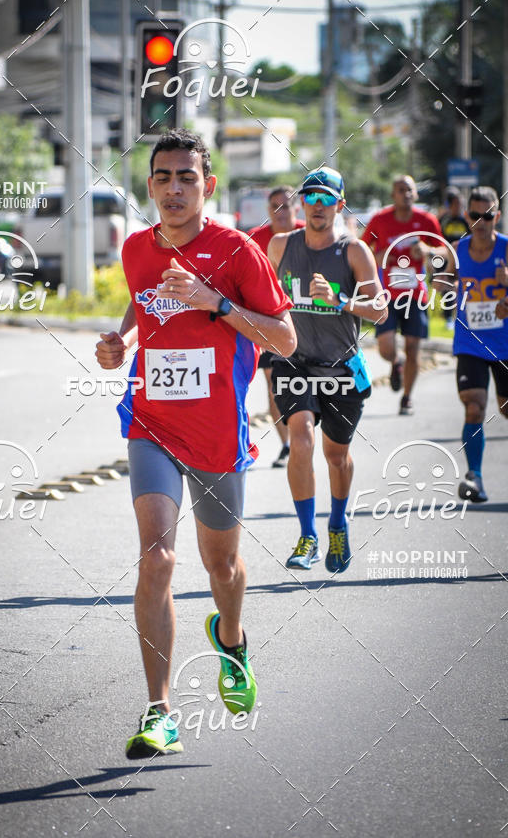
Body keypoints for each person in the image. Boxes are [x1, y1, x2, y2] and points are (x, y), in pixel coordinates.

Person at [95, 129, 296, 758]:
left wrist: (217, 305)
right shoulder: (136, 249)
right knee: (157, 558)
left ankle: (230, 640)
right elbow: (142, 307)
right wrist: (119, 344)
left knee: (222, 568)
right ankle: (160, 712)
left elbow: (285, 340)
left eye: (187, 177)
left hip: (216, 434)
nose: (175, 188)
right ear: (149, 185)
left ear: (207, 186)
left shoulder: (237, 252)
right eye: (163, 177)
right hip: (151, 422)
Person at [267, 166, 387, 573]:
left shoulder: (354, 251)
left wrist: (340, 300)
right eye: (310, 198)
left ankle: (337, 522)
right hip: (293, 362)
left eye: (325, 199)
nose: (317, 206)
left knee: (337, 456)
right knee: (300, 440)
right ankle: (308, 535)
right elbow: (262, 300)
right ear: (301, 202)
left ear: (340, 203)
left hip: (339, 365)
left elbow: (380, 309)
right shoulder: (281, 246)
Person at [443, 186, 508, 502]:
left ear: (497, 216)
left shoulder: (507, 250)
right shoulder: (458, 250)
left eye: (487, 215)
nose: (480, 222)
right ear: (466, 216)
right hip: (470, 342)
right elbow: (443, 287)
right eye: (474, 215)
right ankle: (475, 477)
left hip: (505, 344)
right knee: (474, 406)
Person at [363, 175, 444, 415]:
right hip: (386, 294)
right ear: (393, 195)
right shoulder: (380, 220)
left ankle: (407, 397)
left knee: (413, 348)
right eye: (401, 190)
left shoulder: (426, 220)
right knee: (386, 347)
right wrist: (378, 258)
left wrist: (428, 250)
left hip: (415, 294)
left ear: (415, 194)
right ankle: (395, 363)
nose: (406, 194)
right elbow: (361, 249)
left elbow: (444, 249)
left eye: (409, 190)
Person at [248, 186, 304, 466]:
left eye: (286, 205)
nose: (280, 212)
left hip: (309, 323)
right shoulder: (255, 239)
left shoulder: (311, 234)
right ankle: (287, 445)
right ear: (268, 211)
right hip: (270, 323)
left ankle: (305, 438)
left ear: (297, 208)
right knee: (274, 383)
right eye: (275, 207)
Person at [438, 187, 470, 330]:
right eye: (456, 204)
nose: (459, 207)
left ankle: (462, 315)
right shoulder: (443, 220)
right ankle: (448, 317)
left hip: (463, 258)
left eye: (461, 204)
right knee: (448, 289)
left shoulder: (466, 220)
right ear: (450, 205)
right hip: (446, 258)